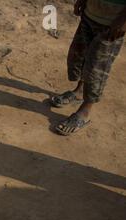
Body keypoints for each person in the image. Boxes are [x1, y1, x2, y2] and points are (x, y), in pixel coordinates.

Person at [51, 0, 126, 135]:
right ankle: (79, 91)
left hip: (113, 23)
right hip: (91, 14)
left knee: (96, 67)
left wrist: (123, 21)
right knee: (79, 55)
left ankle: (85, 110)